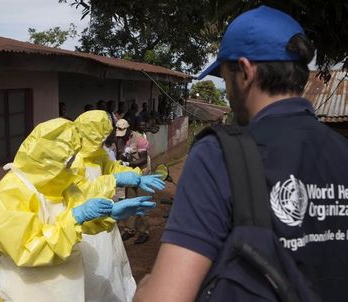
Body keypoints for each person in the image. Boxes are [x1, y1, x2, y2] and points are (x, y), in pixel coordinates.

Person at [134, 6, 348, 302]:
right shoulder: (341, 151)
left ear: (245, 72)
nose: (228, 92)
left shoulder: (219, 154)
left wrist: (144, 291)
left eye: (225, 77)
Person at [0, 118, 156, 301]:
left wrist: (108, 215)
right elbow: (29, 248)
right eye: (68, 161)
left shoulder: (59, 181)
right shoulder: (11, 191)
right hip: (26, 290)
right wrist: (76, 218)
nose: (73, 167)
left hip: (67, 286)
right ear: (47, 159)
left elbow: (79, 214)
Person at [71, 110, 165, 301]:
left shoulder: (97, 153)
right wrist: (114, 180)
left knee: (112, 267)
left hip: (104, 221)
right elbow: (79, 192)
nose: (103, 141)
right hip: (83, 226)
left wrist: (135, 177)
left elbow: (112, 168)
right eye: (100, 136)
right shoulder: (73, 159)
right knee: (92, 275)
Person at [115, 118, 152, 244]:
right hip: (130, 175)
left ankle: (143, 232)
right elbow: (119, 157)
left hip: (142, 175)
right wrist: (124, 154)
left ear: (129, 129)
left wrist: (127, 162)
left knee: (141, 203)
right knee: (129, 203)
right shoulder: (121, 139)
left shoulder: (140, 140)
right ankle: (129, 229)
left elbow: (142, 160)